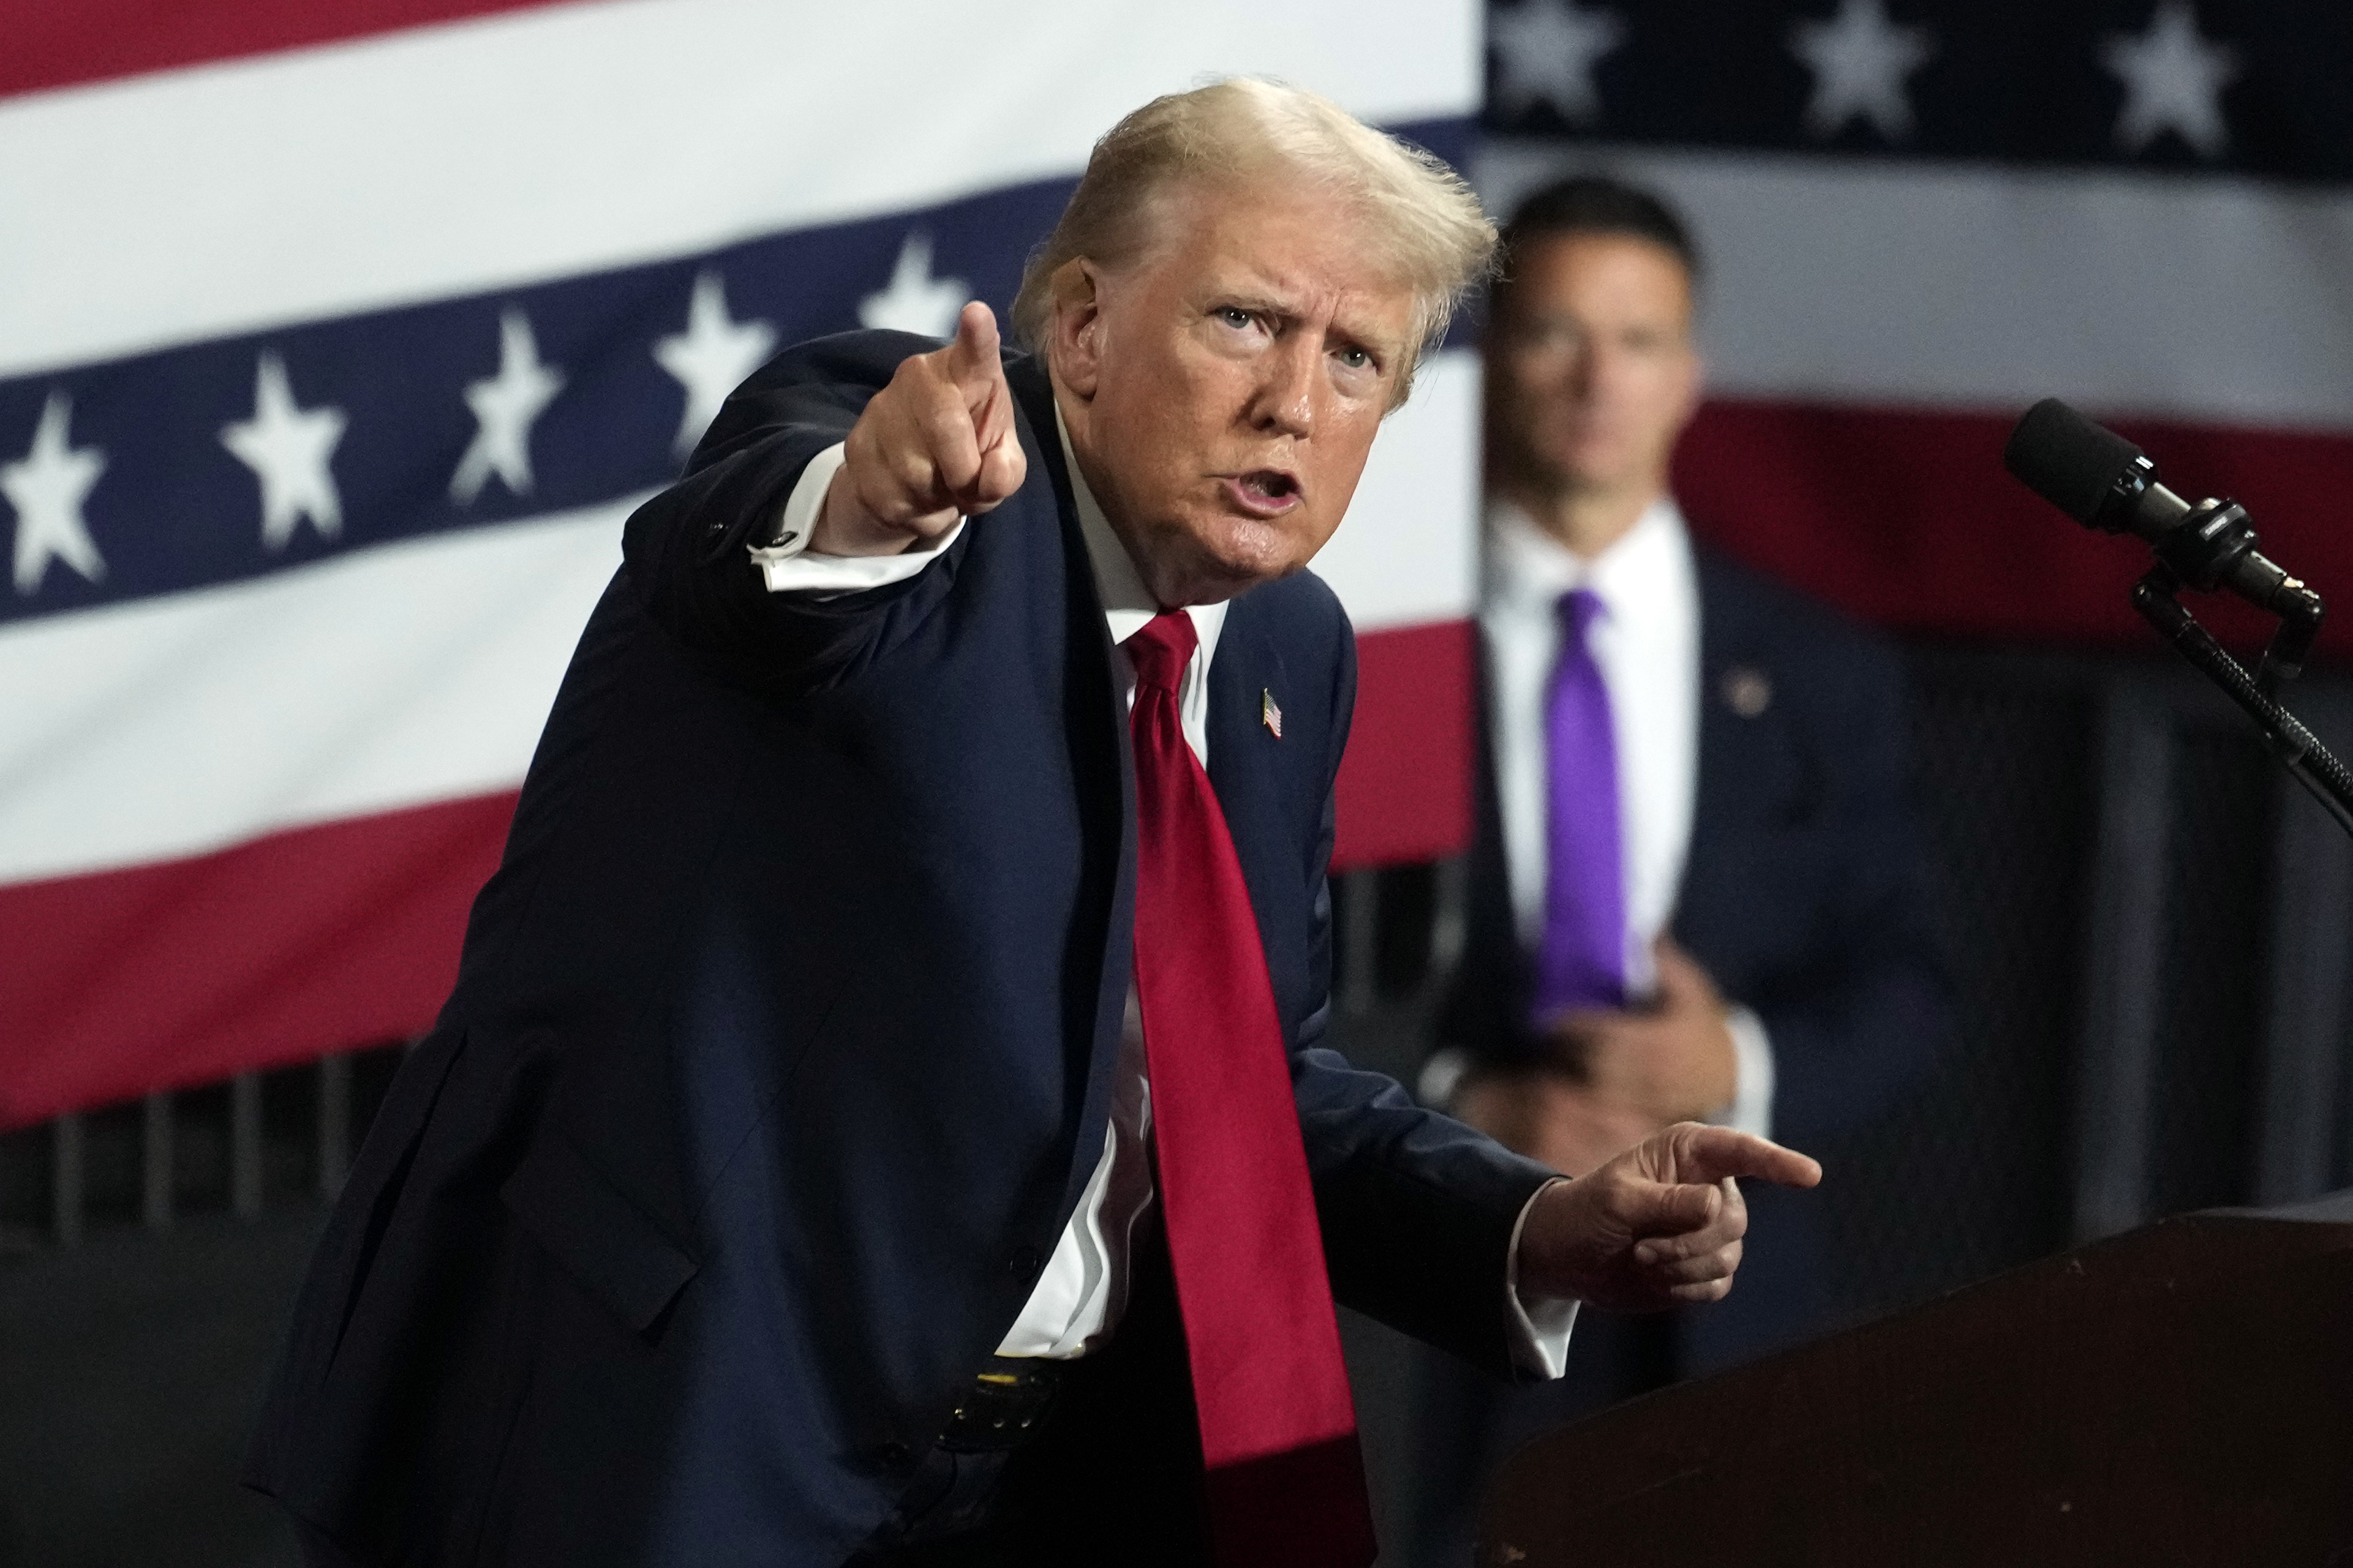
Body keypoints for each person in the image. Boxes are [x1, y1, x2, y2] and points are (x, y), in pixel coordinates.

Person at [244, 90, 1822, 1568]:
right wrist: (870, 503)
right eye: (1246, 321)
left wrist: (1534, 1227)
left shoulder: (1288, 648)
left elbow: (1243, 1082)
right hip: (667, 1429)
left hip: (1029, 1484)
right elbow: (751, 558)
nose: (1294, 398)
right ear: (1075, 329)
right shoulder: (898, 460)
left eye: (1357, 361)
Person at [1409, 177, 1947, 1561]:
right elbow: (1270, 965)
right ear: (1492, 356)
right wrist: (1462, 1100)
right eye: (1555, 335)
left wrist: (1734, 1071)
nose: (1598, 380)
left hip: (1735, 1311)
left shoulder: (1819, 671)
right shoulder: (1368, 643)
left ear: (1688, 377)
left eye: (1638, 341)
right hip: (1444, 1302)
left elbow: (1911, 978)